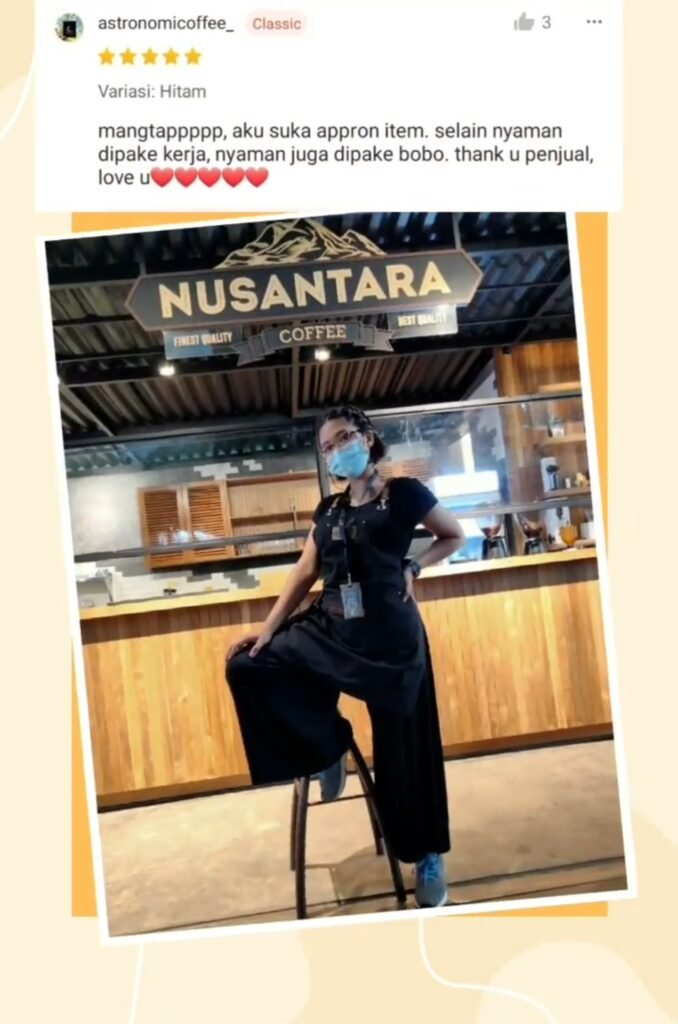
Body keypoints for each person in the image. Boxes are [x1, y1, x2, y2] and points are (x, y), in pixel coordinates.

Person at [225, 405, 466, 908]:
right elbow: (304, 571)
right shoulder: (329, 509)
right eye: (328, 446)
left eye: (343, 438)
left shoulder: (405, 493)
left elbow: (453, 535)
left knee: (407, 755)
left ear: (367, 437)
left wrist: (415, 566)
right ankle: (326, 746)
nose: (336, 450)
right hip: (332, 628)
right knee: (249, 665)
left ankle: (426, 855)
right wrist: (268, 629)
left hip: (392, 640)